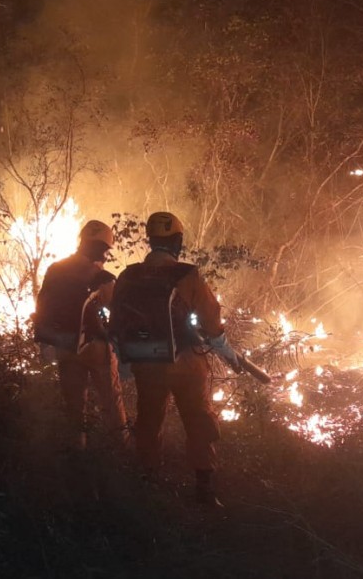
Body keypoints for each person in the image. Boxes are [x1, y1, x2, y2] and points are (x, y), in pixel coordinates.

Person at [109, 212, 236, 507]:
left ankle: (148, 482)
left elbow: (115, 324)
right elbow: (212, 323)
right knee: (198, 419)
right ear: (177, 242)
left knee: (149, 420)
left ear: (150, 241)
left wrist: (127, 362)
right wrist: (229, 356)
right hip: (186, 364)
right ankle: (204, 488)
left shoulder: (128, 276)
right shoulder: (187, 275)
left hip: (145, 363)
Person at [34, 220, 128, 451]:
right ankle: (120, 451)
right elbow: (118, 310)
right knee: (111, 400)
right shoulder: (100, 276)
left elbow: (42, 304)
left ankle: (78, 453)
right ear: (101, 249)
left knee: (74, 406)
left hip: (64, 345)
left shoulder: (55, 269)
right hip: (95, 347)